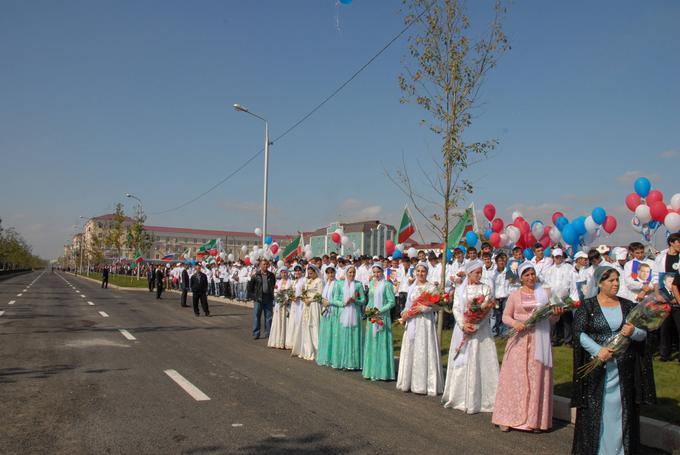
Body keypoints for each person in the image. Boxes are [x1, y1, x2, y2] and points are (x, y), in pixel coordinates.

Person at [572, 266, 656, 455]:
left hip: (623, 372)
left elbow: (643, 334)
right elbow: (579, 332)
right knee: (598, 412)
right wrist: (598, 350)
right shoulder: (588, 306)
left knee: (621, 411)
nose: (616, 284)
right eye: (611, 280)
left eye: (617, 280)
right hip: (598, 370)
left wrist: (633, 332)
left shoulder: (628, 305)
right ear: (600, 283)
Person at [492, 263, 563, 432]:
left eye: (533, 274)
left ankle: (535, 419)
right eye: (527, 275)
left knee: (536, 376)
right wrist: (516, 323)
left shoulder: (545, 294)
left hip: (539, 341)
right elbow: (505, 317)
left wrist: (557, 314)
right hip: (519, 340)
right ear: (521, 278)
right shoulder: (515, 295)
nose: (531, 277)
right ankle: (507, 417)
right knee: (515, 377)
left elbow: (552, 320)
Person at [442, 260, 498, 414]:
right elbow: (456, 308)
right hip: (463, 329)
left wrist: (477, 325)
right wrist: (463, 324)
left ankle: (483, 399)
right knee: (463, 360)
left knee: (481, 360)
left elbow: (488, 311)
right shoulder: (461, 290)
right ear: (469, 273)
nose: (479, 275)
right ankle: (460, 396)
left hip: (481, 331)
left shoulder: (486, 289)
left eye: (481, 272)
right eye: (476, 272)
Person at [396, 262, 443, 396]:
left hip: (425, 323)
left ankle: (422, 384)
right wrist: (404, 314)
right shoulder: (412, 287)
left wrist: (424, 308)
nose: (420, 274)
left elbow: (438, 307)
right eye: (418, 271)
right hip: (412, 322)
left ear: (427, 273)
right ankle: (409, 381)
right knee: (411, 348)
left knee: (423, 349)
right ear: (415, 272)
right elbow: (407, 305)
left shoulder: (431, 288)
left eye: (423, 271)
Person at [363, 263, 396, 381]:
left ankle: (382, 371)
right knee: (372, 340)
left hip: (382, 316)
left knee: (382, 341)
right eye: (374, 272)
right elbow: (370, 299)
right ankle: (371, 370)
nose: (376, 274)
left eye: (378, 272)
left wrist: (379, 311)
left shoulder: (387, 285)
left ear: (382, 272)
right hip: (372, 316)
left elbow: (392, 302)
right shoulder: (372, 283)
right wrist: (368, 307)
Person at [330, 265, 366, 370]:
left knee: (354, 336)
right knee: (342, 336)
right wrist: (343, 303)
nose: (352, 274)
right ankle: (342, 360)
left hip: (355, 313)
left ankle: (353, 362)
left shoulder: (358, 285)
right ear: (346, 273)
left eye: (353, 272)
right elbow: (334, 299)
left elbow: (363, 300)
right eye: (350, 272)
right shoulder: (339, 284)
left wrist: (355, 301)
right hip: (343, 313)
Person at [543, 248, 579, 346]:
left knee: (566, 319)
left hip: (566, 297)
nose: (558, 258)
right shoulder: (550, 270)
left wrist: (573, 297)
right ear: (553, 258)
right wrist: (548, 297)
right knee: (554, 318)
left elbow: (573, 283)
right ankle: (554, 339)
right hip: (554, 297)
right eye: (556, 257)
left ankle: (568, 340)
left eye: (559, 257)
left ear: (562, 257)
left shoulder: (568, 267)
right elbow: (546, 284)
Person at [655, 233, 680, 361]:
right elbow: (655, 277)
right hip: (664, 296)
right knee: (665, 327)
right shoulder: (660, 258)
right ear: (671, 242)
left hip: (678, 296)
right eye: (678, 242)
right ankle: (665, 354)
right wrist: (658, 294)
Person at [292, 265, 323, 361]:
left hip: (314, 305)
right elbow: (304, 292)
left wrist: (310, 300)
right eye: (308, 273)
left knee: (313, 325)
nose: (310, 275)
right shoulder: (308, 281)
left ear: (315, 272)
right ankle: (306, 348)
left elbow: (320, 294)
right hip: (306, 305)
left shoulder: (319, 281)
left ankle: (316, 348)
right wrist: (304, 298)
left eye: (311, 273)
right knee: (305, 325)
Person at [248, 259, 276, 340]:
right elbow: (250, 288)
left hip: (268, 298)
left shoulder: (271, 275)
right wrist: (254, 297)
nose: (265, 266)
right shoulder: (255, 275)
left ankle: (268, 333)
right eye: (263, 264)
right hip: (258, 299)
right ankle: (256, 333)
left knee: (269, 316)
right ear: (260, 265)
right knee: (257, 316)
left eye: (267, 264)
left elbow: (273, 285)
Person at [316, 266, 337, 366]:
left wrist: (330, 303)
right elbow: (323, 297)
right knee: (325, 333)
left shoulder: (337, 284)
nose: (330, 275)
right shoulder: (326, 284)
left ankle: (332, 356)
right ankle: (325, 355)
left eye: (332, 273)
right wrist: (323, 302)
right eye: (328, 273)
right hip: (325, 311)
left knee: (332, 333)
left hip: (333, 311)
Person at [269, 267, 292, 349]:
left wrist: (287, 299)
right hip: (279, 304)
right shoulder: (278, 282)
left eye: (285, 272)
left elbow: (291, 292)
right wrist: (278, 298)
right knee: (278, 321)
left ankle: (286, 342)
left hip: (287, 305)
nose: (284, 274)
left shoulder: (291, 282)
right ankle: (278, 341)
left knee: (286, 321)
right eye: (282, 273)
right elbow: (275, 292)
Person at [286, 265, 305, 350]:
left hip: (300, 303)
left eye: (299, 270)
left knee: (299, 321)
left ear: (302, 271)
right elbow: (290, 291)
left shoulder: (304, 280)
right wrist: (291, 296)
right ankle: (292, 342)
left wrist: (299, 296)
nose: (297, 272)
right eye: (296, 271)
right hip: (293, 304)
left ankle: (299, 342)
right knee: (293, 321)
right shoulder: (294, 281)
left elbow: (305, 292)